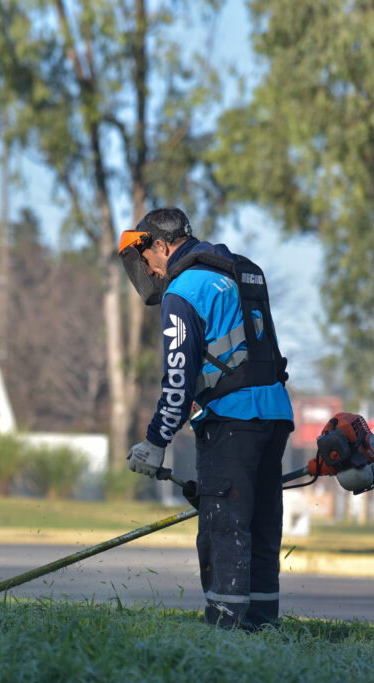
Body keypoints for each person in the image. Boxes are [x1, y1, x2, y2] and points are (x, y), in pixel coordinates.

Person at [117, 207, 294, 631]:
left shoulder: (183, 291)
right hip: (274, 415)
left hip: (231, 421)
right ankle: (262, 625)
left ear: (161, 245)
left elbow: (177, 380)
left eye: (147, 259)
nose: (150, 271)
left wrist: (155, 442)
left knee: (225, 528)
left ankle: (226, 631)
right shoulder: (235, 270)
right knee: (261, 527)